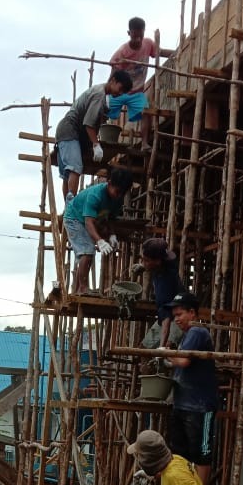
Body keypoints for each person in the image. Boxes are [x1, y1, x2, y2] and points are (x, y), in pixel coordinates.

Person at [159, 291, 218, 485]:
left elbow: (183, 361)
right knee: (181, 455)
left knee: (201, 455)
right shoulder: (187, 336)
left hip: (199, 407)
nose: (176, 319)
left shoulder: (197, 332)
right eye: (174, 316)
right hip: (184, 404)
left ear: (192, 313)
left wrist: (165, 353)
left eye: (179, 315)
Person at [55, 70, 133, 204]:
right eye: (120, 89)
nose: (119, 93)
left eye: (122, 93)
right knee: (75, 168)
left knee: (68, 174)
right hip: (69, 130)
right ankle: (71, 206)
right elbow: (89, 124)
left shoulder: (100, 93)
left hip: (65, 131)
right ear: (113, 80)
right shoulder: (99, 95)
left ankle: (68, 207)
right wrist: (96, 145)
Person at [63, 168, 134, 294]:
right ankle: (83, 288)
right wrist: (100, 241)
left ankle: (80, 288)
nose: (118, 196)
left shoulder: (117, 198)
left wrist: (112, 234)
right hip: (74, 218)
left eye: (122, 193)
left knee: (88, 252)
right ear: (109, 183)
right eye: (117, 191)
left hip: (91, 219)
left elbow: (110, 218)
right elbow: (88, 222)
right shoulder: (95, 195)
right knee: (87, 251)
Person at [107, 17, 173, 151]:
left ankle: (144, 144)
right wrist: (108, 90)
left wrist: (178, 50)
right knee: (106, 111)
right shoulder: (122, 52)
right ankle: (100, 139)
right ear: (129, 33)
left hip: (137, 91)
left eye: (140, 36)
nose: (137, 40)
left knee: (145, 112)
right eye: (135, 36)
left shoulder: (148, 44)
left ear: (143, 32)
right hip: (120, 90)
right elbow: (113, 71)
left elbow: (161, 52)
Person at [138, 238, 185, 349]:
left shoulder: (166, 283)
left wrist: (162, 347)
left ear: (157, 261)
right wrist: (142, 266)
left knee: (168, 348)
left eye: (146, 260)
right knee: (143, 349)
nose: (143, 263)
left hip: (178, 316)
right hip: (165, 315)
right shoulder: (164, 262)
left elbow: (166, 319)